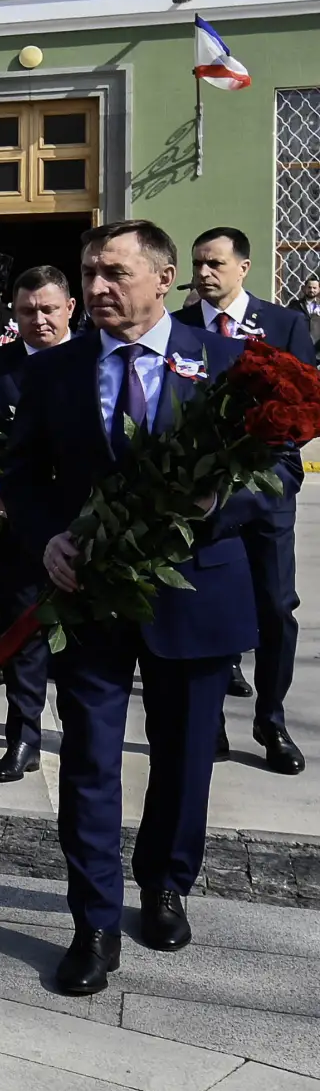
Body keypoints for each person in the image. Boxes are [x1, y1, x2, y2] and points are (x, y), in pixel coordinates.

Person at [0, 218, 296, 995]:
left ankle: (165, 884)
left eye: (114, 274)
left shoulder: (229, 364)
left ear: (163, 279)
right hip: (89, 596)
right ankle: (93, 919)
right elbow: (23, 477)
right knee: (90, 761)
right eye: (89, 271)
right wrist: (48, 539)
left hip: (196, 593)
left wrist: (213, 503)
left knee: (184, 757)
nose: (95, 288)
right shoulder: (54, 371)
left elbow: (282, 475)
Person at [175, 226, 312, 773]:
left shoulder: (283, 324)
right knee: (204, 604)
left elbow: (307, 407)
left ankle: (271, 720)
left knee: (276, 606)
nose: (204, 274)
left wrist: (258, 460)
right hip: (196, 495)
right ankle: (210, 724)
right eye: (198, 263)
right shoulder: (179, 329)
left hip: (265, 491)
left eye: (215, 263)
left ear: (243, 267)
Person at [0, 265, 75, 783]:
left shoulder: (98, 359)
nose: (39, 320)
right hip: (17, 523)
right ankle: (23, 734)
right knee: (22, 631)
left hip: (89, 524)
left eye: (49, 309)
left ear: (70, 308)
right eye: (27, 311)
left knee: (84, 635)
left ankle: (84, 731)